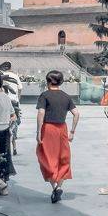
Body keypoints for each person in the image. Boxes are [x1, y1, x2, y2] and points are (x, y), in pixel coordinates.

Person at [35, 69, 79, 203]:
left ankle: (54, 186)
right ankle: (59, 186)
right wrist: (72, 131)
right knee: (63, 158)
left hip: (48, 129)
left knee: (46, 157)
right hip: (63, 129)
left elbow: (41, 113)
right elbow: (76, 114)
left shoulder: (45, 95)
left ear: (48, 81)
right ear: (60, 82)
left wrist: (38, 132)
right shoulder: (66, 96)